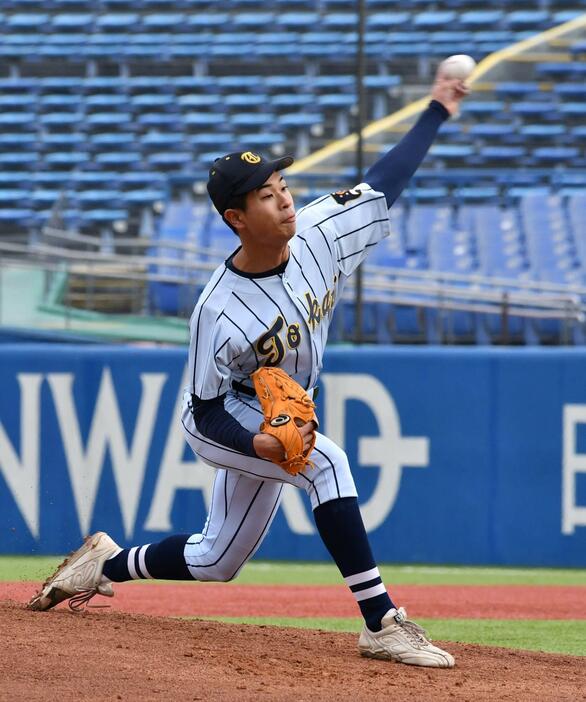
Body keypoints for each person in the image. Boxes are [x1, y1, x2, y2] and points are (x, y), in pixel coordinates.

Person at [28, 67, 468, 668]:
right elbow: (205, 409)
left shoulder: (319, 232)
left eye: (282, 184)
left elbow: (383, 182)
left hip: (283, 407)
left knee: (217, 559)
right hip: (227, 416)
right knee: (326, 462)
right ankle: (382, 623)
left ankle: (101, 565)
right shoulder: (219, 309)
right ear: (236, 217)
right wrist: (257, 442)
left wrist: (438, 107)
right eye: (266, 194)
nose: (284, 197)